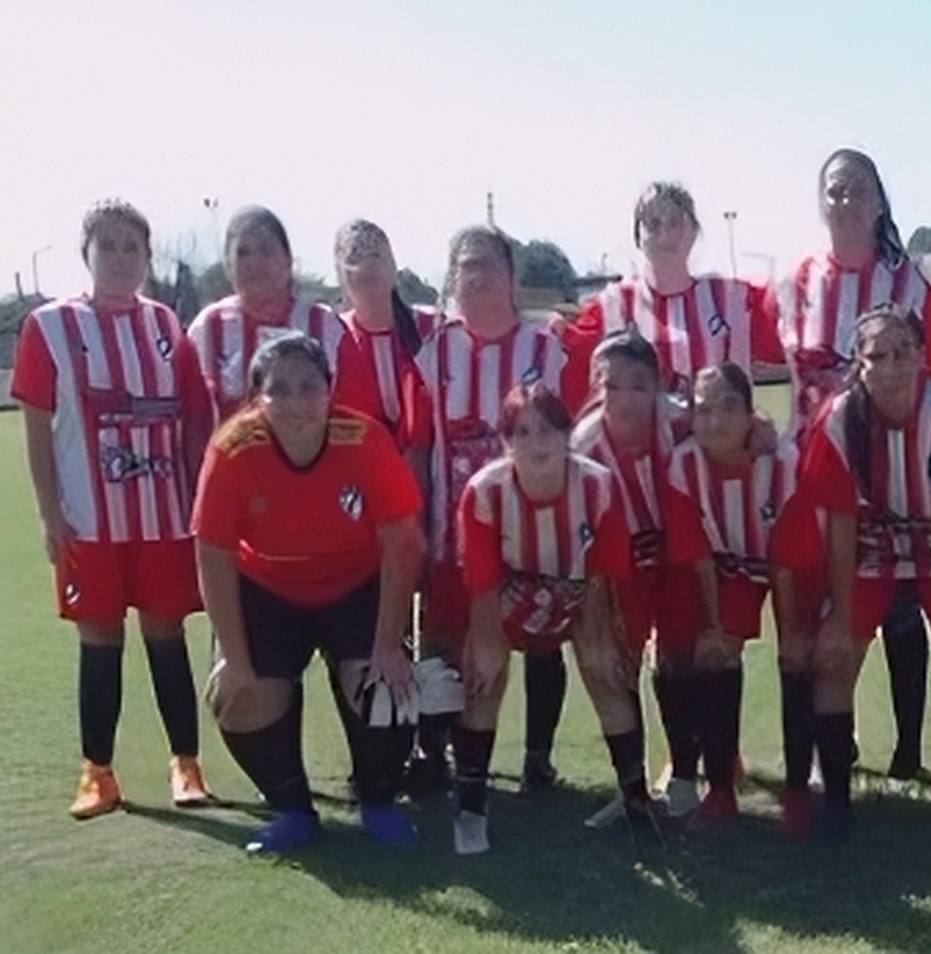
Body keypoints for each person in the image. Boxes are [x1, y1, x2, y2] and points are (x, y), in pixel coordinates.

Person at [14, 199, 214, 818]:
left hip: (162, 520)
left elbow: (191, 424)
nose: (122, 259)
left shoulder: (166, 326)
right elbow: (39, 430)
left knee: (166, 634)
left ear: (147, 259)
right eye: (110, 247)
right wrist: (51, 517)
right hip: (89, 523)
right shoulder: (50, 327)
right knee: (99, 641)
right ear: (88, 255)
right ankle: (98, 773)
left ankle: (187, 765)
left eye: (133, 248)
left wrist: (199, 512)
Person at [193, 333, 425, 853]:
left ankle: (379, 801)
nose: (297, 403)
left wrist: (389, 645)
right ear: (257, 398)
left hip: (354, 586)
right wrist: (233, 657)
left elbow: (402, 541)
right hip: (269, 591)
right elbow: (213, 554)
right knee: (241, 695)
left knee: (385, 687)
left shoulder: (363, 439)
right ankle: (293, 811)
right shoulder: (231, 448)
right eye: (279, 390)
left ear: (330, 389)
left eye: (308, 386)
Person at [777, 147, 931, 781]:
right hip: (814, 482)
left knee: (901, 611)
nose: (845, 200)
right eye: (834, 190)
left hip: (895, 480)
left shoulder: (906, 282)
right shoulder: (797, 279)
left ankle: (909, 750)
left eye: (857, 189)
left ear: (880, 201)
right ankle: (834, 748)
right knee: (826, 620)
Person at [799, 304, 931, 846]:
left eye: (902, 352)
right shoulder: (838, 420)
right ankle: (836, 802)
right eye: (876, 356)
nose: (890, 367)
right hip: (869, 553)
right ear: (858, 365)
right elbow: (838, 526)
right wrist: (838, 616)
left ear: (923, 357)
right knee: (833, 654)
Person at [407, 225, 570, 794]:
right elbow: (420, 443)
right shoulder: (435, 352)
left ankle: (538, 757)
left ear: (513, 276)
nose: (476, 276)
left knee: (542, 642)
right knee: (444, 644)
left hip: (534, 534)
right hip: (454, 535)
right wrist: (418, 522)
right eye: (465, 266)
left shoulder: (549, 349)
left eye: (488, 265)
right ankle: (437, 754)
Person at [451, 384, 645, 854]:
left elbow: (601, 577)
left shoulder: (597, 485)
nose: (537, 442)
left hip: (575, 589)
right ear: (507, 440)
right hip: (509, 590)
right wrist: (483, 652)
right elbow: (482, 585)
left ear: (567, 434)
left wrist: (601, 643)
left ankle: (637, 801)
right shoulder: (485, 492)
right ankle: (471, 808)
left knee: (604, 667)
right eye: (523, 431)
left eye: (548, 429)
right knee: (485, 675)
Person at [661, 363, 814, 829]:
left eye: (729, 407)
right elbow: (700, 557)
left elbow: (789, 560)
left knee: (799, 657)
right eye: (703, 410)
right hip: (730, 570)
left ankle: (798, 788)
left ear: (752, 414)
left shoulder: (782, 463)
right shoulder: (683, 465)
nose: (715, 421)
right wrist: (716, 628)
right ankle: (722, 786)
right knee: (712, 654)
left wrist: (792, 634)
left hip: (788, 568)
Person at [571, 330, 692, 824]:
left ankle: (686, 774)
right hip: (619, 570)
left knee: (679, 660)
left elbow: (738, 434)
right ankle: (632, 788)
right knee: (614, 665)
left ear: (658, 386)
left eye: (638, 385)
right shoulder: (584, 447)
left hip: (678, 557)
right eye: (610, 384)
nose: (623, 397)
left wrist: (759, 428)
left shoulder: (682, 423)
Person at [558, 182, 783, 411]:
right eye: (653, 225)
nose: (665, 235)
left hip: (720, 443)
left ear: (694, 231)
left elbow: (797, 344)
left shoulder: (734, 300)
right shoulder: (611, 308)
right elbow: (568, 389)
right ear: (638, 238)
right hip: (642, 446)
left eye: (675, 222)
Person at [187, 205, 379, 425]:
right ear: (229, 265)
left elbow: (358, 417)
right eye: (243, 253)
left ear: (288, 261)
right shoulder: (208, 329)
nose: (254, 263)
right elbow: (194, 421)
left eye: (265, 250)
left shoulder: (326, 327)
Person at [333, 218, 437, 452]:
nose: (366, 268)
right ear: (341, 277)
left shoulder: (431, 329)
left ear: (393, 267)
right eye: (354, 260)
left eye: (375, 257)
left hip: (427, 479)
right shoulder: (332, 337)